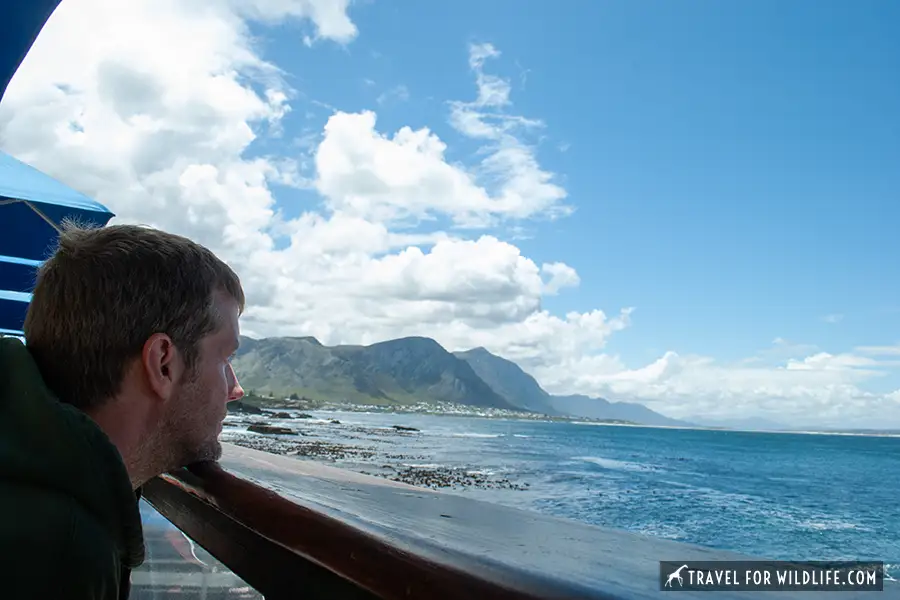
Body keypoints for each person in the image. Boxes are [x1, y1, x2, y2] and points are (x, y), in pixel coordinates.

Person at [0, 223, 246, 599]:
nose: (236, 389)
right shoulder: (55, 551)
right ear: (163, 364)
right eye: (225, 358)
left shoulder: (39, 477)